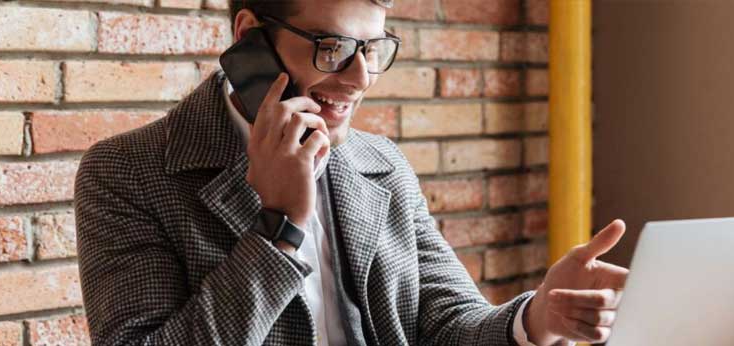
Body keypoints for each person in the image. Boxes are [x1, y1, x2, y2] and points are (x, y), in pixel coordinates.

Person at [74, 0, 629, 345]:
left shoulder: (380, 165)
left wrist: (538, 317)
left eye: (374, 48)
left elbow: (447, 325)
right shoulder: (128, 173)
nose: (361, 76)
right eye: (333, 46)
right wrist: (280, 227)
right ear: (249, 38)